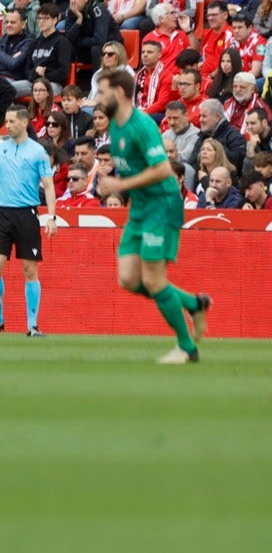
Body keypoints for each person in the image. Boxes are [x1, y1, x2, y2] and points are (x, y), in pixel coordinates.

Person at [99, 70, 212, 363]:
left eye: (102, 92)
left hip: (161, 205)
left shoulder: (143, 126)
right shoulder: (115, 126)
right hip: (139, 208)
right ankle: (193, 304)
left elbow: (163, 169)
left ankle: (187, 348)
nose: (98, 99)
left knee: (153, 280)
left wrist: (120, 185)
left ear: (120, 94)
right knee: (127, 279)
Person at [0, 105, 57, 338]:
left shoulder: (37, 152)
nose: (8, 125)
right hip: (3, 213)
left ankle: (32, 325)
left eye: (12, 121)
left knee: (29, 269)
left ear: (24, 123)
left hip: (27, 213)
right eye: (6, 120)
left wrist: (51, 216)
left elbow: (49, 185)